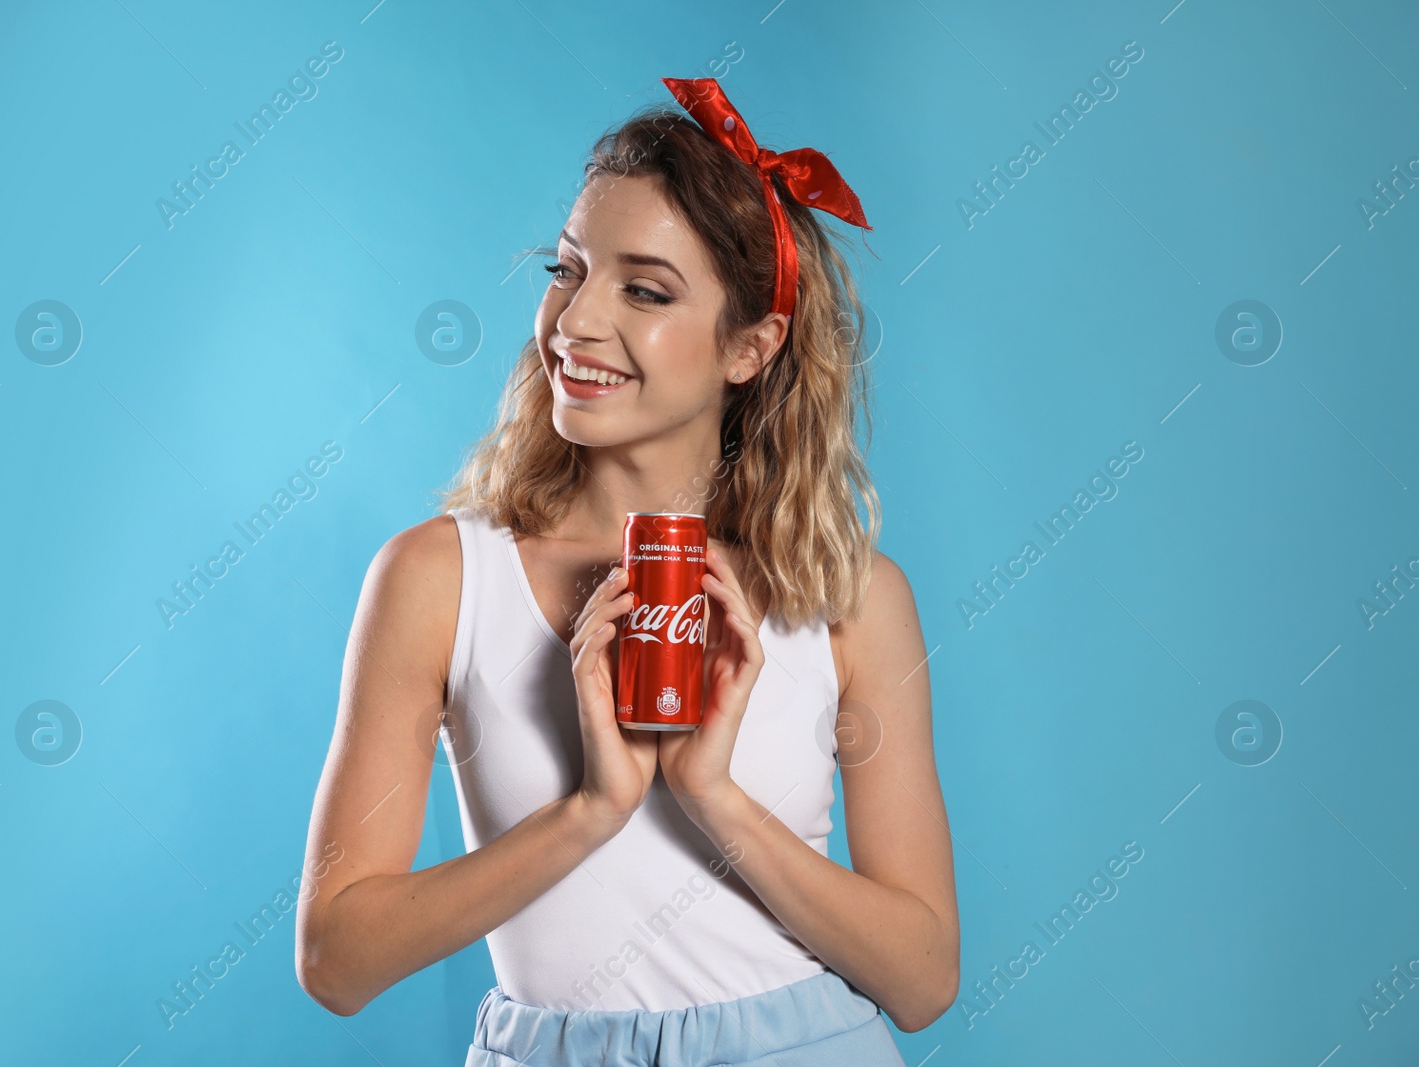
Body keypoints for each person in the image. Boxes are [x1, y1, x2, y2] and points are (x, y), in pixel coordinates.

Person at [294, 77, 959, 1066]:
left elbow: (921, 979)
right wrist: (589, 811)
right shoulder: (437, 577)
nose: (575, 320)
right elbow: (337, 958)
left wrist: (712, 795)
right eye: (569, 269)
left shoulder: (847, 598)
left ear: (750, 345)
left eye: (644, 289)